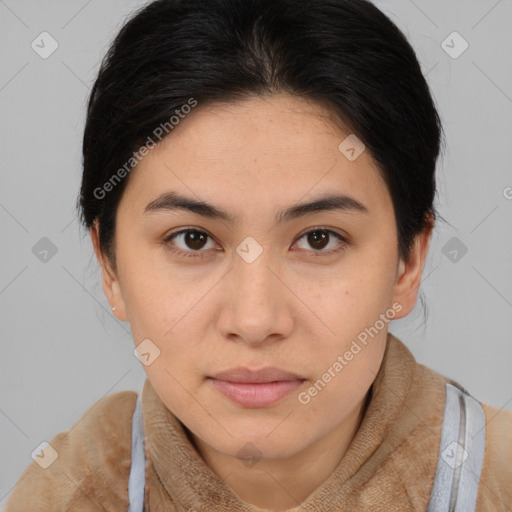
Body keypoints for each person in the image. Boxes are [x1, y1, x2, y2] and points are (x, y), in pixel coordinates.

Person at [5, 0, 511, 510]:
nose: (254, 320)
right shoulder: (64, 495)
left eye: (319, 239)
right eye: (193, 240)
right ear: (109, 265)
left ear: (408, 264)